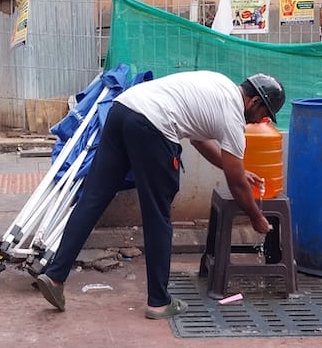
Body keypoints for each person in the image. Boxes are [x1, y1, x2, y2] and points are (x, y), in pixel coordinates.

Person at [36, 71, 285, 319]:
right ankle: (158, 302)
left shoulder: (220, 85)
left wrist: (240, 173)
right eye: (264, 114)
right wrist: (255, 216)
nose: (261, 121)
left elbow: (200, 142)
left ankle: (56, 277)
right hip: (153, 126)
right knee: (158, 216)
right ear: (254, 101)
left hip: (122, 109)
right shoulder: (233, 116)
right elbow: (236, 183)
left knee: (93, 198)